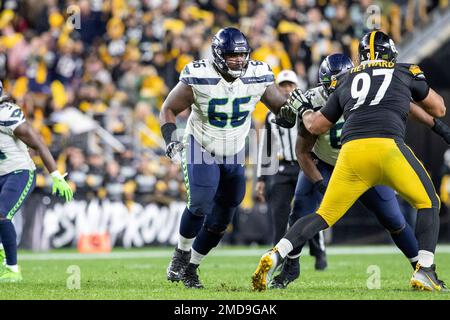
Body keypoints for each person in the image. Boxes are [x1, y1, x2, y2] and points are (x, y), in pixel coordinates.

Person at [252, 30, 448, 292]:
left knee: (321, 215)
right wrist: (439, 125)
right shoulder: (403, 71)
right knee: (428, 202)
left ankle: (276, 254)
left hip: (350, 153)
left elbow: (317, 125)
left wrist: (302, 109)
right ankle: (424, 270)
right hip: (386, 147)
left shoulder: (347, 81)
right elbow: (438, 107)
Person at [160, 27, 302, 289]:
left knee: (222, 219)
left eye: (242, 55)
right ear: (217, 55)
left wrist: (297, 108)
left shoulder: (257, 75)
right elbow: (169, 108)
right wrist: (170, 138)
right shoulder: (199, 75)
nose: (238, 60)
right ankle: (180, 253)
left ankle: (192, 268)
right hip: (200, 144)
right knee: (201, 203)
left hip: (234, 149)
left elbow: (280, 110)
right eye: (231, 55)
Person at [255, 69, 327, 280]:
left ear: (297, 87)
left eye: (290, 85)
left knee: (307, 213)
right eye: (283, 86)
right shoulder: (271, 115)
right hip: (283, 168)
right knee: (279, 214)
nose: (287, 89)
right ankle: (279, 256)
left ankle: (319, 251)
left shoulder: (309, 109)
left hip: (306, 166)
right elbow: (265, 148)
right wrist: (261, 178)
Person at [0, 82, 73, 282]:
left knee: (1, 213)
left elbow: (38, 142)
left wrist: (56, 175)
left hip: (19, 172)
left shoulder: (5, 114)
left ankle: (12, 269)